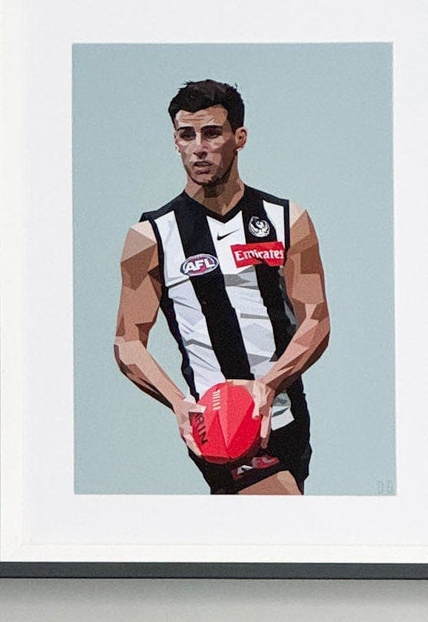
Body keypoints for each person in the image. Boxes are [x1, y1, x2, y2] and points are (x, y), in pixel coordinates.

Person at [113, 79, 331, 494]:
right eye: (186, 135)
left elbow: (316, 321)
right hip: (218, 429)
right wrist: (179, 404)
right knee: (277, 508)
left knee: (275, 526)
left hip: (286, 414)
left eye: (211, 133)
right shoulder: (151, 236)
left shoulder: (287, 219)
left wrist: (268, 387)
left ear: (239, 137)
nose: (198, 147)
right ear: (175, 141)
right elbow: (128, 342)